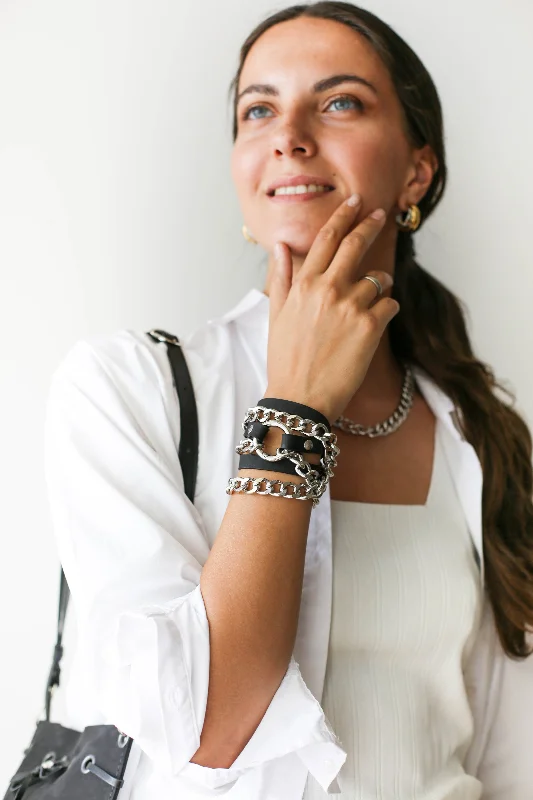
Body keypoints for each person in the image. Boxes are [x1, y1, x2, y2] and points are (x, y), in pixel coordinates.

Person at [43, 2, 533, 799]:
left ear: (417, 170)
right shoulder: (124, 391)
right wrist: (296, 404)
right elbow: (207, 727)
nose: (289, 134)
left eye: (338, 102)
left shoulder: (477, 434)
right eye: (258, 109)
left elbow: (511, 758)